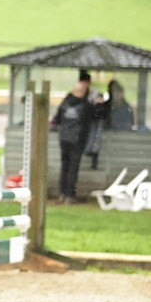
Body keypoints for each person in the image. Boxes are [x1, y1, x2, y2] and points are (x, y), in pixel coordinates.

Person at [51, 70, 97, 203]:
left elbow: (58, 118)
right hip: (77, 140)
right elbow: (97, 114)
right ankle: (70, 196)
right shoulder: (85, 105)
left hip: (63, 138)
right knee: (73, 168)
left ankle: (62, 194)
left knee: (64, 167)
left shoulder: (65, 102)